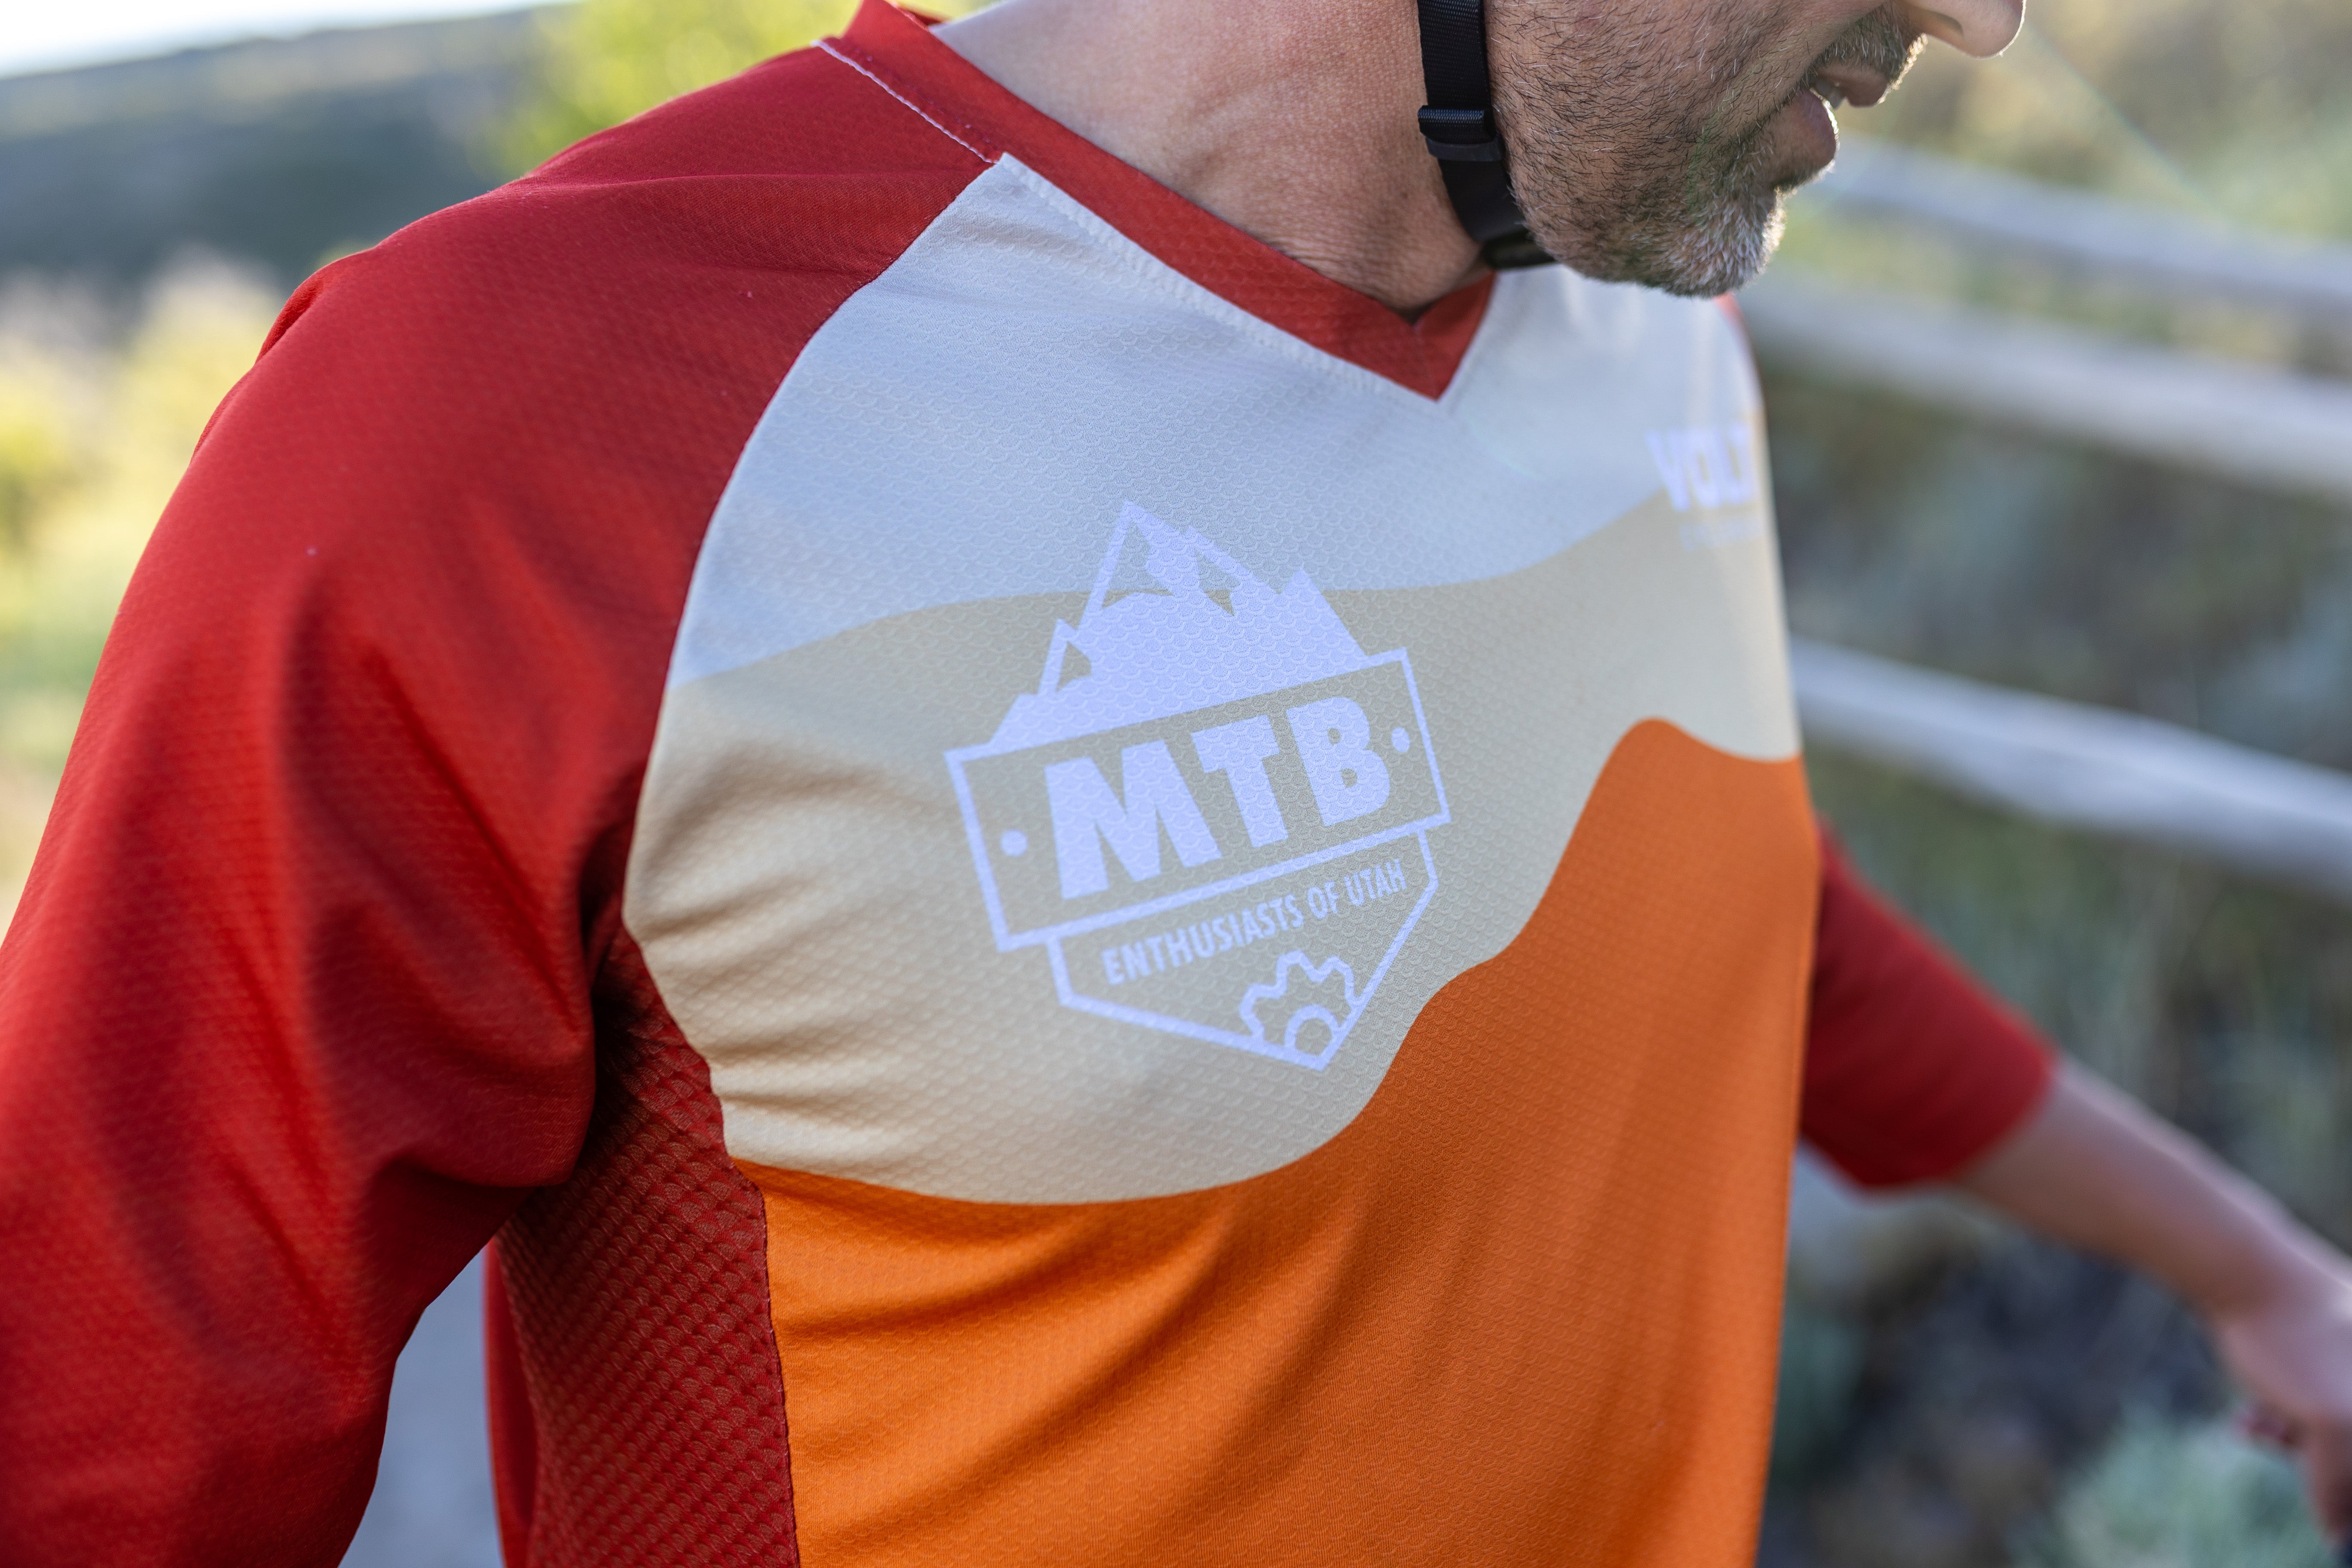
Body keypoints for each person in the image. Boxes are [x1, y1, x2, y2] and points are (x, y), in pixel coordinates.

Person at [3, 0, 2350, 1563]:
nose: (1981, 13)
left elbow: (1722, 892)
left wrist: (2253, 1270)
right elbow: (107, 1450)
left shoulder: (1651, 316)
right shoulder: (513, 418)